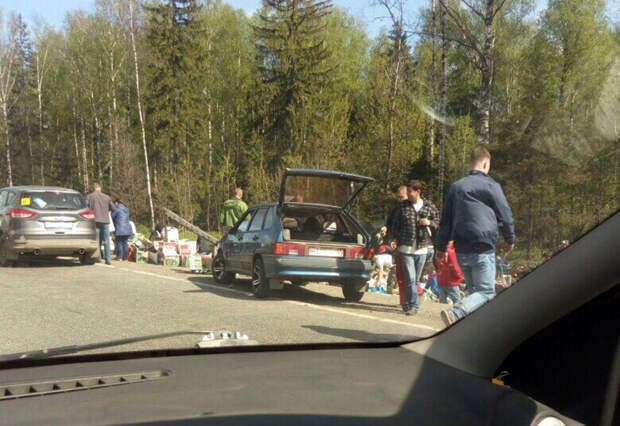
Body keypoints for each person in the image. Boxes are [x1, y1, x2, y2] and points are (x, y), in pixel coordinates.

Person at [437, 146, 515, 326]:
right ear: (486, 163)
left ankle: (469, 331)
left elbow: (446, 220)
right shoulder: (491, 185)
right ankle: (456, 312)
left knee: (474, 295)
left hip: (461, 250)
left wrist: (441, 247)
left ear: (470, 163)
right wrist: (509, 239)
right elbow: (505, 214)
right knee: (486, 292)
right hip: (482, 247)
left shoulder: (456, 187)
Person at [385, 181, 422, 315]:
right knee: (403, 275)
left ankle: (410, 299)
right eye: (398, 198)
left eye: (402, 197)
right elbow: (391, 224)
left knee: (410, 277)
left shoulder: (419, 207)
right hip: (403, 247)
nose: (399, 200)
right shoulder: (398, 209)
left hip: (418, 248)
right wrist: (388, 231)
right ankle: (406, 302)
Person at [408, 180, 439, 294]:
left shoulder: (428, 206)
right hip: (408, 246)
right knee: (411, 277)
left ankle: (416, 298)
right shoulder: (405, 205)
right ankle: (413, 300)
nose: (408, 194)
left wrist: (428, 222)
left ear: (418, 192)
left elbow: (437, 222)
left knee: (418, 276)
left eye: (410, 191)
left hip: (425, 246)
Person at [85, 183, 116, 265]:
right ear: (100, 188)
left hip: (95, 220)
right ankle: (108, 259)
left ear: (94, 188)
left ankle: (98, 257)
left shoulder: (89, 196)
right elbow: (114, 208)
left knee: (97, 240)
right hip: (105, 221)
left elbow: (85, 207)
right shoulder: (107, 197)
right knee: (106, 240)